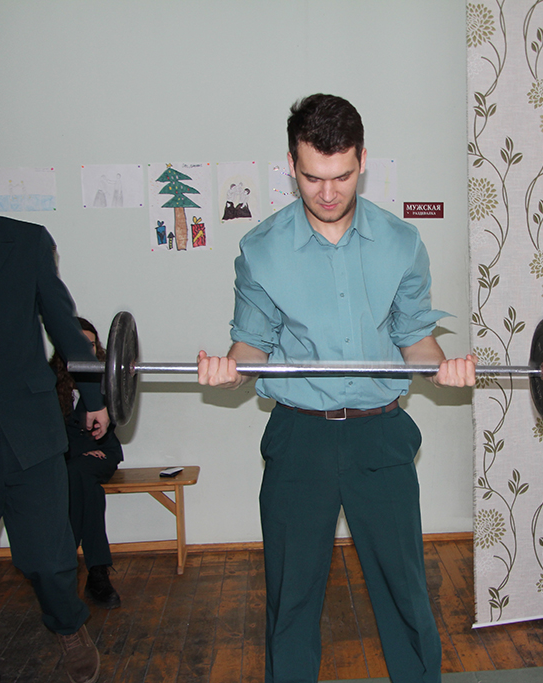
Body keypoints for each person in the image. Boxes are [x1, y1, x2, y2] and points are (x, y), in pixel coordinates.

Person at [196, 94, 476, 683]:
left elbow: (415, 341)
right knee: (291, 600)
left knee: (405, 593)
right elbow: (252, 347)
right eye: (312, 177)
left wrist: (443, 367)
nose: (327, 192)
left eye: (342, 176)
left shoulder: (402, 243)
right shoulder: (260, 250)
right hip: (300, 440)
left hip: (381, 436)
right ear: (291, 165)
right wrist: (228, 369)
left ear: (362, 161)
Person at [0, 130, 107, 683]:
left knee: (50, 560)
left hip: (32, 433)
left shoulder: (27, 242)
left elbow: (64, 327)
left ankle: (69, 627)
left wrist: (95, 398)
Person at [50, 317, 124, 609]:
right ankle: (98, 572)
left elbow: (112, 423)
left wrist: (82, 452)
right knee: (87, 486)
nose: (86, 350)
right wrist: (80, 452)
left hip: (102, 454)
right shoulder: (48, 380)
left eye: (91, 345)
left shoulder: (109, 380)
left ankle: (65, 563)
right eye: (79, 344)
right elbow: (49, 431)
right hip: (70, 460)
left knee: (77, 473)